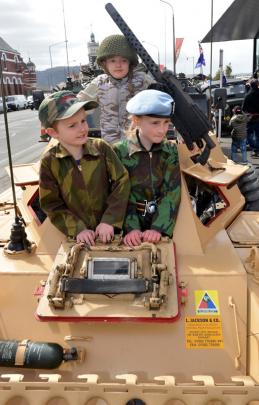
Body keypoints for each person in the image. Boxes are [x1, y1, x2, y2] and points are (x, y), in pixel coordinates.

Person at [38, 90, 130, 245]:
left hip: (112, 231)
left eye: (83, 121)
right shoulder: (50, 161)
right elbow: (51, 204)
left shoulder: (101, 148)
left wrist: (110, 220)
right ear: (53, 132)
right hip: (78, 239)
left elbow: (122, 181)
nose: (82, 129)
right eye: (72, 125)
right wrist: (77, 228)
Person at [113, 89, 181, 247]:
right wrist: (131, 227)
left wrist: (158, 227)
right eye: (155, 123)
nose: (162, 130)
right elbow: (120, 193)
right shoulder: (120, 152)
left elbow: (172, 191)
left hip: (163, 220)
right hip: (128, 222)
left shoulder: (170, 151)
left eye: (166, 123)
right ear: (136, 120)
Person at [77, 34, 155, 144]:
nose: (118, 65)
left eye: (123, 60)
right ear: (105, 64)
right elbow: (79, 104)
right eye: (112, 61)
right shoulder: (100, 82)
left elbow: (162, 99)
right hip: (110, 145)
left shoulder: (142, 80)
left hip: (137, 144)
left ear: (130, 63)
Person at [242, 78, 259, 157]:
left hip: (251, 118)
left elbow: (243, 108)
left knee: (249, 134)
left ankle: (255, 149)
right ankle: (256, 149)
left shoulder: (248, 95)